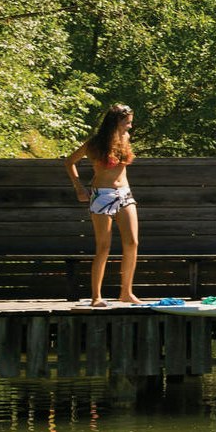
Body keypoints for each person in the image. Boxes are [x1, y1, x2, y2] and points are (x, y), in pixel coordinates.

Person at [65, 104, 142, 305]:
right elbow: (69, 161)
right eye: (127, 122)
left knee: (132, 242)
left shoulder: (125, 138)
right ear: (115, 122)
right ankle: (96, 297)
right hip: (102, 195)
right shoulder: (95, 143)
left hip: (124, 193)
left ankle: (126, 292)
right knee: (104, 246)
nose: (130, 126)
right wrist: (79, 187)